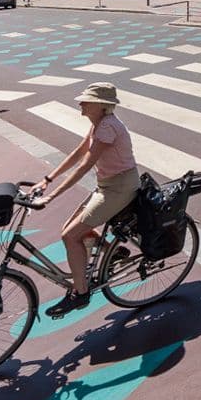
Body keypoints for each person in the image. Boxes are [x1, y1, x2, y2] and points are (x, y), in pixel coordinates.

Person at [32, 83, 139, 317]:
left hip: (119, 188)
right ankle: (114, 253)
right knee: (69, 231)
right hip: (107, 186)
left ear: (101, 106)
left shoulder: (108, 127)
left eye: (86, 100)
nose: (81, 103)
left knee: (71, 237)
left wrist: (51, 196)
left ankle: (80, 293)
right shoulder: (98, 124)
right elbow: (78, 153)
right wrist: (47, 179)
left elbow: (84, 166)